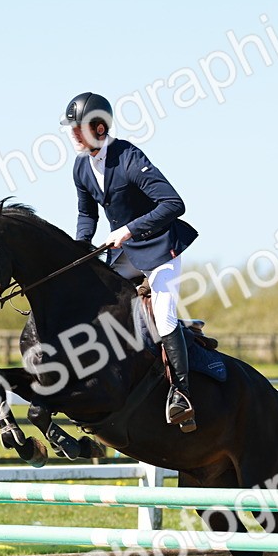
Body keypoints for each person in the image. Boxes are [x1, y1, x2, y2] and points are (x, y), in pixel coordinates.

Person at [60, 92, 200, 432]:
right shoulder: (81, 167)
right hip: (122, 253)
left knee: (163, 316)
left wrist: (129, 230)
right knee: (96, 308)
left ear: (98, 127)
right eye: (71, 130)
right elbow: (86, 215)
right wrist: (80, 250)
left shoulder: (129, 158)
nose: (73, 135)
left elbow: (173, 203)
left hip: (159, 248)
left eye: (78, 129)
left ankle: (181, 394)